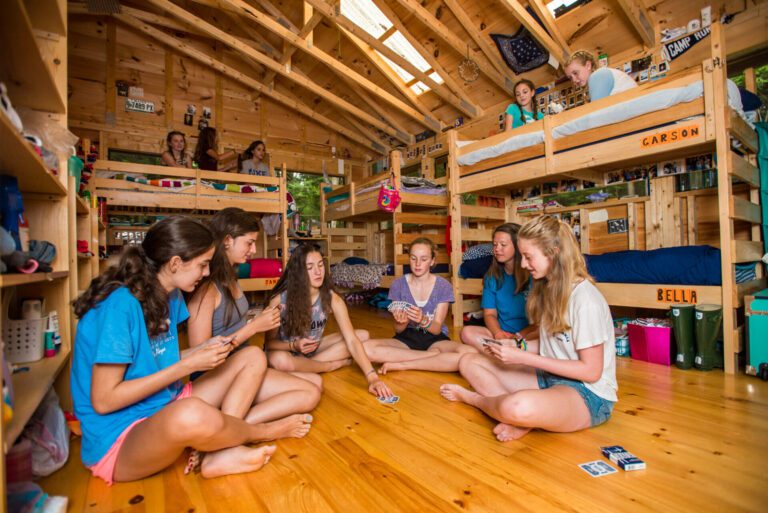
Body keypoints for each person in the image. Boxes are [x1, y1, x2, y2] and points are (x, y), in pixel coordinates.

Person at [71, 217, 309, 485]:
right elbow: (105, 400)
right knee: (190, 413)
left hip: (164, 404)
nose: (207, 273)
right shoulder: (120, 307)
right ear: (175, 263)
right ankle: (260, 432)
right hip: (120, 439)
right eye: (203, 264)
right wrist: (186, 365)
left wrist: (197, 354)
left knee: (252, 356)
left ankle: (219, 450)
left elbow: (152, 360)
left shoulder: (170, 295)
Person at [441, 215, 617, 442]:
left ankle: (478, 401)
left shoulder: (585, 301)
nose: (523, 264)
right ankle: (527, 415)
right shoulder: (550, 289)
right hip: (550, 378)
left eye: (528, 256)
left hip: (587, 393)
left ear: (552, 253)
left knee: (518, 406)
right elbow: (556, 344)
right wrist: (517, 345)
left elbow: (590, 372)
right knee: (468, 362)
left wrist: (522, 357)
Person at [187, 207, 322, 421]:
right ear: (228, 240)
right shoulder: (206, 288)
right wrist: (254, 326)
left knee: (315, 384)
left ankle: (234, 423)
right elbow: (199, 355)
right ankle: (231, 428)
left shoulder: (231, 276)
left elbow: (231, 323)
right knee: (310, 391)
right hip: (217, 377)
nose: (253, 249)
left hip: (245, 368)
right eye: (249, 242)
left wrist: (258, 317)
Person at [264, 243, 393, 398]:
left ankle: (307, 367)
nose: (318, 272)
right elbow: (269, 344)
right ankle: (327, 366)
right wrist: (294, 345)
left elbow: (352, 340)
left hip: (314, 351)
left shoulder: (332, 298)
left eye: (320, 265)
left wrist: (373, 378)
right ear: (298, 272)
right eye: (310, 267)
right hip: (287, 352)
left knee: (362, 335)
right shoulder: (279, 300)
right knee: (278, 360)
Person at [363, 238, 477, 373]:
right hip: (406, 338)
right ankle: (430, 358)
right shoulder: (398, 285)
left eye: (424, 259)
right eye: (413, 258)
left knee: (470, 352)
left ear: (432, 261)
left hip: (435, 340)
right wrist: (402, 322)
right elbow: (398, 330)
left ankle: (404, 364)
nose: (417, 264)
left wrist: (422, 320)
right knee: (365, 348)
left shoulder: (443, 286)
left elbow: (436, 329)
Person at [460, 224, 537, 351]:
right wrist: (498, 334)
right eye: (495, 245)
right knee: (466, 332)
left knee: (545, 334)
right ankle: (504, 355)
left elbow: (540, 323)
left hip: (528, 336)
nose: (497, 249)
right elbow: (490, 314)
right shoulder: (492, 277)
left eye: (503, 245)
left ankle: (503, 355)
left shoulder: (533, 275)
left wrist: (518, 337)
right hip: (501, 336)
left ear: (518, 246)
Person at [564, 51, 637, 102]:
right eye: (570, 77)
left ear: (588, 65)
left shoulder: (599, 75)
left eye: (575, 73)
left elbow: (596, 113)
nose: (574, 80)